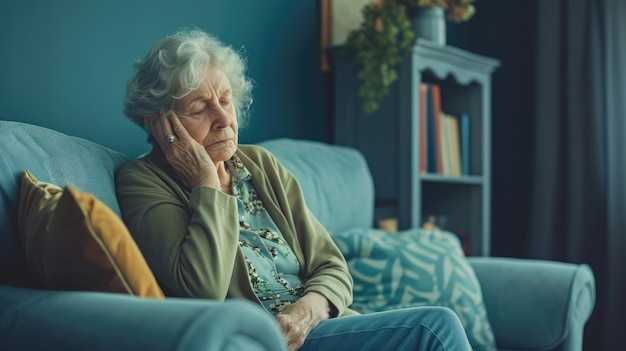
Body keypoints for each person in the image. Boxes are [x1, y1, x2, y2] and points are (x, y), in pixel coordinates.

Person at [115, 27, 472, 351]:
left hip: (320, 326)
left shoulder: (261, 165)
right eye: (201, 108)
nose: (224, 118)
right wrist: (206, 183)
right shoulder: (142, 182)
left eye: (225, 100)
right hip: (261, 340)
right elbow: (202, 289)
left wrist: (307, 311)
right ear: (161, 124)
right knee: (433, 328)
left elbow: (332, 267)